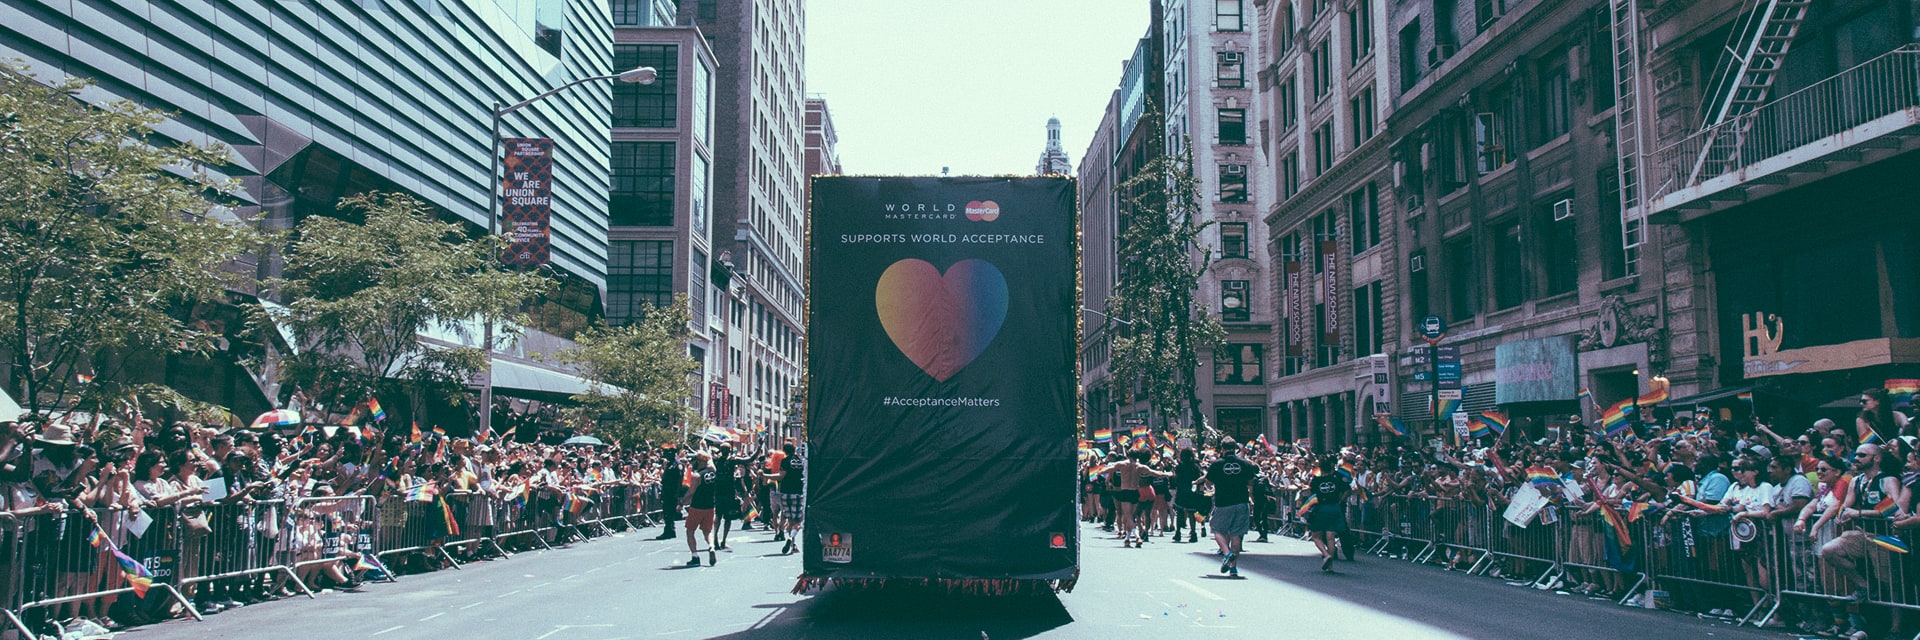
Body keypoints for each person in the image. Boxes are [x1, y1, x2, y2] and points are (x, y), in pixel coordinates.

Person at [1206, 439, 1255, 577]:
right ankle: (1233, 568)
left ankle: (1227, 554)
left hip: (1223, 502)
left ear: (1222, 448)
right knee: (1236, 534)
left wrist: (1212, 487)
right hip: (1241, 501)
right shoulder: (1245, 463)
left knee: (1217, 529)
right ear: (1235, 448)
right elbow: (1251, 482)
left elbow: (1208, 483)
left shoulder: (1216, 464)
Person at [1304, 456, 1350, 573]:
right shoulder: (1337, 478)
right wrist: (1340, 502)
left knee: (1316, 536)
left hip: (1321, 508)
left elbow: (1311, 492)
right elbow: (1347, 490)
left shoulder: (1316, 480)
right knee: (1331, 537)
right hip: (1335, 508)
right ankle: (1330, 565)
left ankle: (1326, 555)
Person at [679, 451, 718, 567]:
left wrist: (681, 502)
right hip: (710, 506)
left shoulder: (697, 475)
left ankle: (695, 556)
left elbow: (691, 491)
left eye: (695, 460)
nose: (693, 462)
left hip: (697, 506)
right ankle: (711, 546)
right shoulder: (713, 471)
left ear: (700, 461)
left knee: (690, 531)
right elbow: (710, 461)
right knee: (707, 531)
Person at [768, 442, 805, 555]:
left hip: (786, 492)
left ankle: (792, 543)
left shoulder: (784, 461)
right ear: (795, 449)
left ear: (785, 451)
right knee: (799, 521)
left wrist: (766, 476)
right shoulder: (802, 461)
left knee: (790, 520)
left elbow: (781, 476)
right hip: (799, 492)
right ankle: (791, 538)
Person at [654, 448, 683, 541]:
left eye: (671, 453)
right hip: (667, 491)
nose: (668, 455)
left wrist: (677, 494)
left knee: (669, 512)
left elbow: (679, 480)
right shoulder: (670, 464)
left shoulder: (677, 465)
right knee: (667, 512)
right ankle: (669, 530)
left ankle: (669, 531)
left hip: (672, 492)